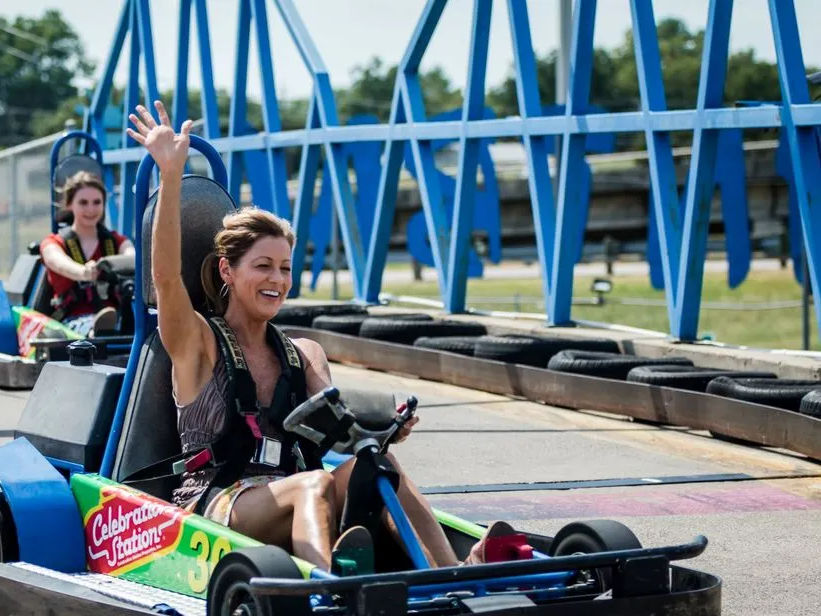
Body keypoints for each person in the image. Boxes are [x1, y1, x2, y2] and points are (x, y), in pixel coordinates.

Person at [127, 100, 508, 573]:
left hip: (295, 487)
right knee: (313, 485)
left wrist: (383, 431)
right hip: (218, 501)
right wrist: (170, 174)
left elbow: (331, 426)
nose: (277, 280)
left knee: (375, 468)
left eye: (285, 268)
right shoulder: (199, 341)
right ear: (227, 269)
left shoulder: (301, 352)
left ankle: (451, 574)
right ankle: (325, 588)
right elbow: (165, 280)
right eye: (263, 266)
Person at [40, 171, 135, 336]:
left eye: (97, 202)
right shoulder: (54, 243)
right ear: (70, 205)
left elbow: (132, 258)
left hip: (116, 315)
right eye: (83, 203)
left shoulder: (116, 241)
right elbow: (59, 263)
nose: (91, 209)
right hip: (71, 322)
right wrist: (85, 272)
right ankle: (95, 331)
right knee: (91, 327)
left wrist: (111, 264)